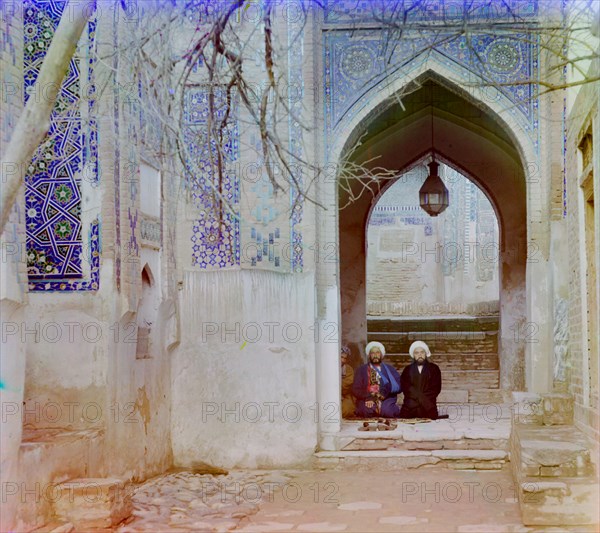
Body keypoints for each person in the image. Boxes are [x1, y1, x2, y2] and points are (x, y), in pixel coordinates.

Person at [353, 341, 401, 418]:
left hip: (386, 398)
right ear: (369, 355)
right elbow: (356, 389)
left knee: (387, 411)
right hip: (367, 398)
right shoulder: (361, 370)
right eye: (372, 353)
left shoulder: (390, 369)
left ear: (381, 355)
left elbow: (399, 386)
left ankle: (384, 409)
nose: (375, 355)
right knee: (367, 410)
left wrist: (385, 392)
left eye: (377, 353)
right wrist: (368, 397)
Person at [399, 340, 442, 419]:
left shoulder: (434, 369)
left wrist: (422, 401)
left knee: (431, 415)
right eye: (417, 353)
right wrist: (421, 399)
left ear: (426, 354)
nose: (420, 355)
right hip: (411, 406)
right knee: (404, 415)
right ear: (413, 355)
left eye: (422, 352)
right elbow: (406, 388)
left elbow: (436, 389)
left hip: (427, 406)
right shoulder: (407, 369)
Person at [340, 345, 356, 418]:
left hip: (344, 394)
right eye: (341, 357)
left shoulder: (349, 369)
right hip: (328, 394)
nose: (343, 360)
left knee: (348, 409)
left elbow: (347, 384)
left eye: (345, 358)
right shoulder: (326, 367)